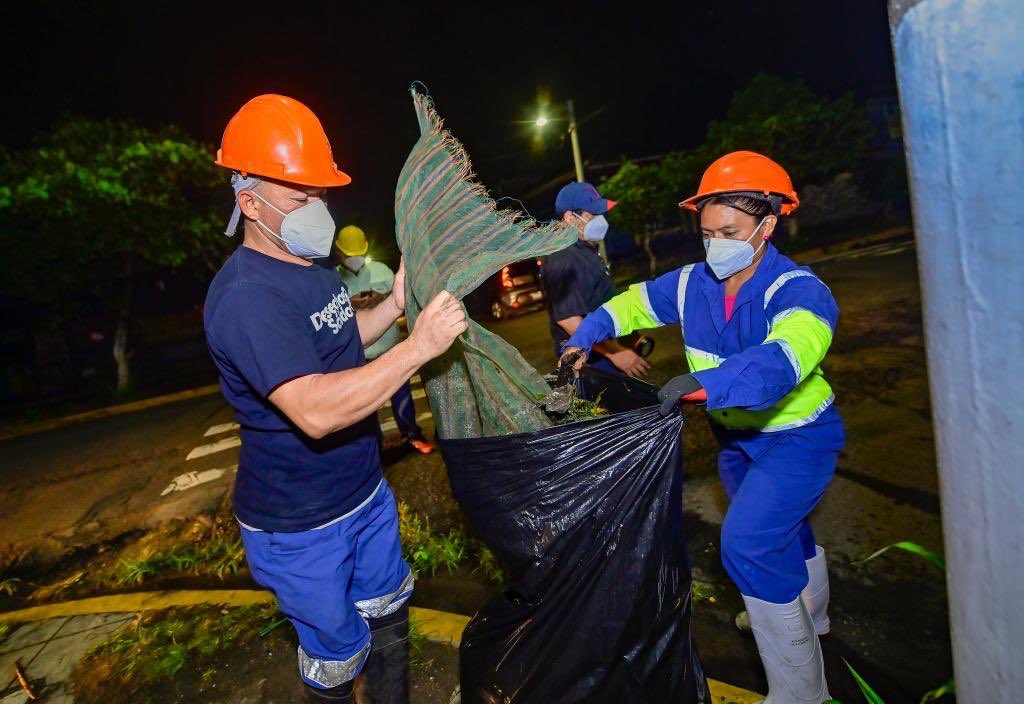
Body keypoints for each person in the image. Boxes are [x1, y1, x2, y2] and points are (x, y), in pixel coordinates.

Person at [203, 94, 467, 703]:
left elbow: (340, 332)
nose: (316, 211)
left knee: (391, 613)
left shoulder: (309, 267)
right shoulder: (246, 297)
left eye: (319, 194)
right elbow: (316, 410)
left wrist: (397, 308)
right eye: (300, 199)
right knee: (339, 655)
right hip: (299, 527)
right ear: (250, 202)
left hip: (364, 492)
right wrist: (418, 347)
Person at [561, 151, 841, 704]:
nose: (716, 243)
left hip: (798, 437)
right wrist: (584, 336)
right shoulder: (693, 282)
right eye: (707, 231)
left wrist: (706, 385)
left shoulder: (800, 292)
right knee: (784, 529)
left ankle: (801, 693)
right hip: (735, 441)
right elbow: (632, 305)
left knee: (748, 543)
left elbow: (783, 359)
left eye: (730, 231)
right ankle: (812, 611)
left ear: (769, 222)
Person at [334, 224, 437, 455]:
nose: (355, 259)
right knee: (365, 404)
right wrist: (350, 304)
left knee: (401, 395)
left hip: (389, 344)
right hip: (360, 353)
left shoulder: (382, 271)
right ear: (339, 253)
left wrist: (384, 298)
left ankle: (411, 434)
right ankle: (375, 446)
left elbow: (401, 300)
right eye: (350, 255)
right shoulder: (334, 280)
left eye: (358, 254)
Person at [540, 182, 650, 377]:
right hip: (587, 354)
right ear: (569, 218)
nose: (601, 220)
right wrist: (615, 353)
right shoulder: (562, 255)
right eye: (592, 216)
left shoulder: (581, 247)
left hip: (600, 346)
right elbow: (568, 318)